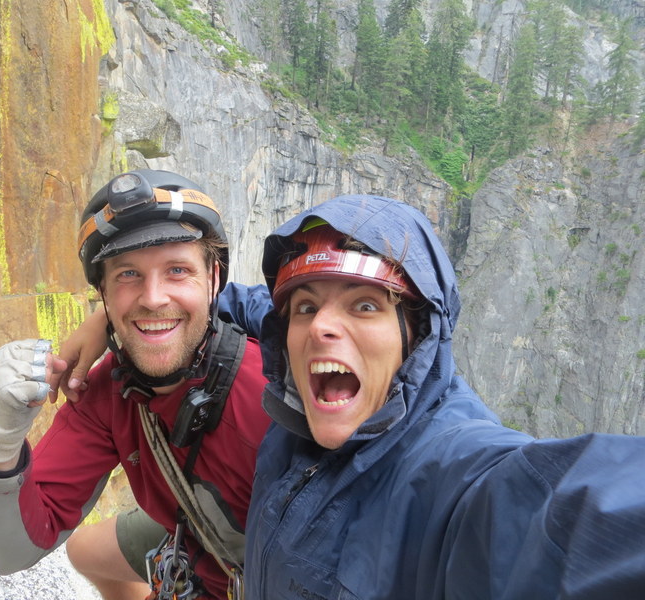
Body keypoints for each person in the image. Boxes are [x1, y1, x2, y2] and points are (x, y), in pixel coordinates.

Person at [244, 193, 645, 599]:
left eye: (364, 305)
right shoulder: (290, 428)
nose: (319, 327)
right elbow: (257, 307)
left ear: (419, 335)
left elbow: (557, 518)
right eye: (306, 307)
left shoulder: (454, 477)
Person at [0, 169, 272, 600]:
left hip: (265, 563)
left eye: (177, 270)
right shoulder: (108, 391)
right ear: (104, 296)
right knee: (85, 550)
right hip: (193, 530)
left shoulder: (267, 393)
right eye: (128, 275)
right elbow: (13, 551)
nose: (152, 297)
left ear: (214, 281)